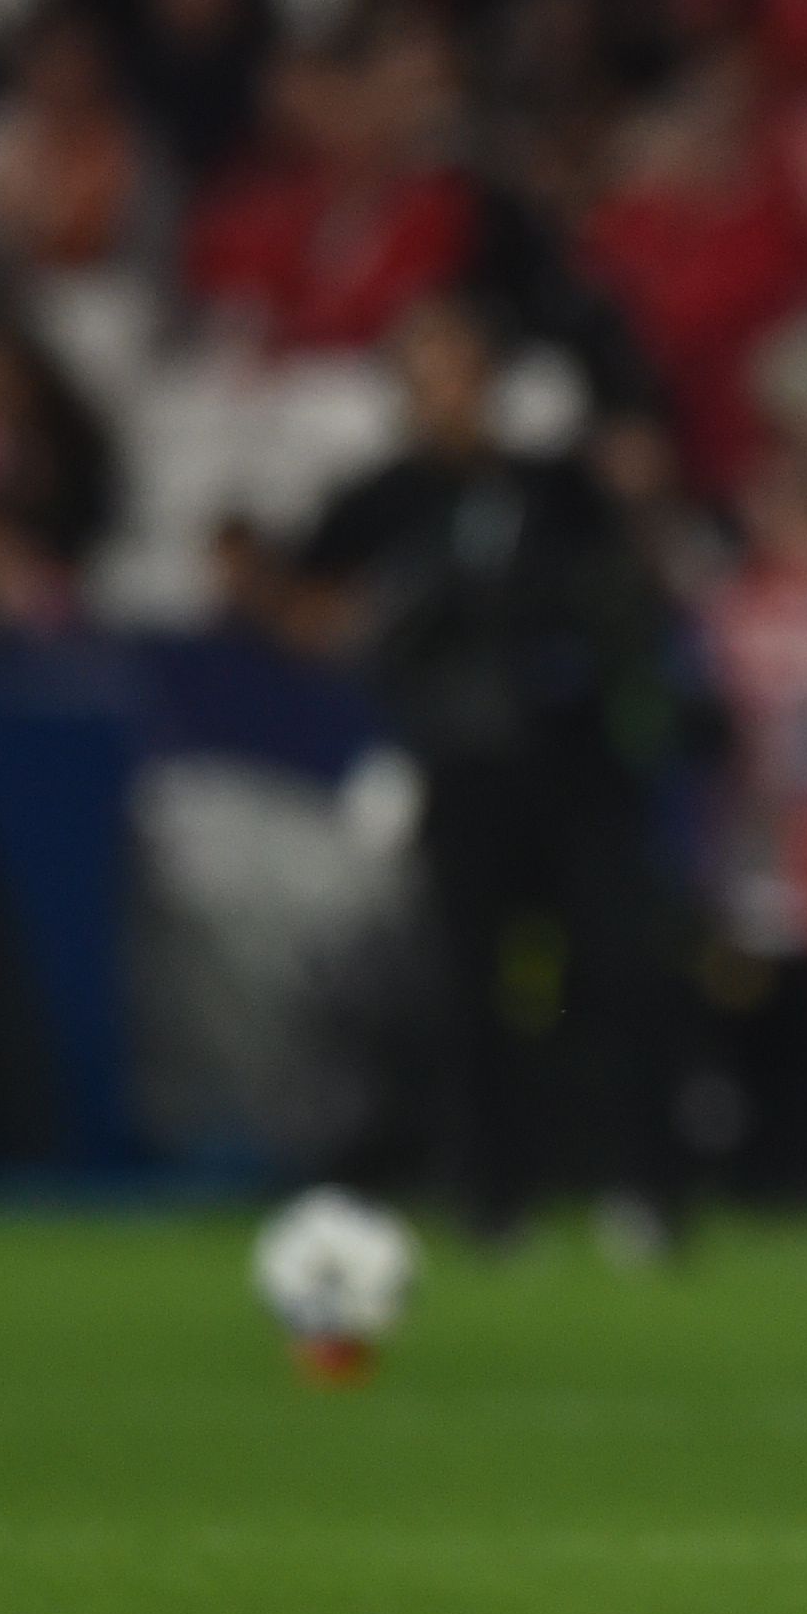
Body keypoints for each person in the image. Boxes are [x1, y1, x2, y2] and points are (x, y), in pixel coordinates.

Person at [305, 297, 692, 1255]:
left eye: (462, 374)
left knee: (620, 969)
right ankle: (491, 1199)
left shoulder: (556, 487)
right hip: (463, 770)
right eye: (428, 378)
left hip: (577, 764)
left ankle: (642, 1191)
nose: (448, 398)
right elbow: (299, 592)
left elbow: (640, 584)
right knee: (468, 989)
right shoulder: (387, 498)